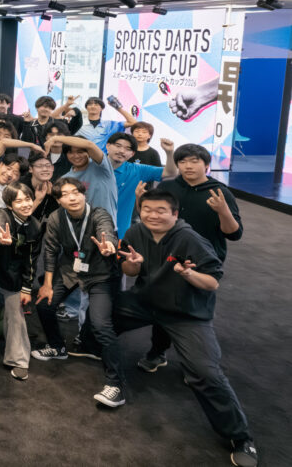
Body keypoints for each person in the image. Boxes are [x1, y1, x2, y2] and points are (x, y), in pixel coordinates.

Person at [116, 190, 258, 467]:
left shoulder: (190, 239)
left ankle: (240, 437)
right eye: (147, 209)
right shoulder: (135, 232)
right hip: (145, 302)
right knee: (102, 317)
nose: (152, 215)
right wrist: (131, 266)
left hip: (186, 313)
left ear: (175, 214)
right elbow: (130, 272)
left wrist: (189, 273)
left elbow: (213, 283)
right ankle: (98, 356)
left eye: (160, 211)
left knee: (205, 373)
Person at [142, 144, 244, 373]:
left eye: (194, 161)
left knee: (195, 312)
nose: (188, 166)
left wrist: (223, 210)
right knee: (162, 304)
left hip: (203, 261)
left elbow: (234, 234)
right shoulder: (168, 187)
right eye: (183, 161)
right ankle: (157, 351)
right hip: (167, 256)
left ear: (206, 165)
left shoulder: (219, 192)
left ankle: (193, 364)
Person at [32, 177, 125, 408]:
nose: (72, 198)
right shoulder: (56, 218)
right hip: (70, 270)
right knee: (44, 303)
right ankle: (58, 347)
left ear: (84, 194)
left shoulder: (99, 214)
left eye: (76, 192)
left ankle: (116, 384)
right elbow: (50, 251)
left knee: (101, 324)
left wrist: (108, 245)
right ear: (58, 200)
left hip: (100, 273)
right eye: (64, 194)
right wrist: (47, 284)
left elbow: (107, 231)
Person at [0, 182, 42, 380]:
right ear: (10, 205)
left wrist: (27, 288)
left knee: (16, 315)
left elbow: (31, 260)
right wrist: (0, 237)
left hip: (13, 274)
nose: (25, 204)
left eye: (28, 199)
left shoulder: (35, 227)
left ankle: (18, 359)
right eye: (19, 201)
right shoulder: (0, 215)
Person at [105, 132, 177, 236]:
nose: (122, 151)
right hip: (88, 227)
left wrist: (169, 153)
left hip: (118, 232)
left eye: (127, 149)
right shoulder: (91, 165)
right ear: (107, 146)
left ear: (132, 154)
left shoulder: (137, 170)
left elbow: (170, 172)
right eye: (118, 146)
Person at [47, 133, 119, 221]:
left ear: (88, 153)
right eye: (70, 152)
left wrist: (56, 138)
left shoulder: (101, 167)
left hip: (105, 225)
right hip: (80, 226)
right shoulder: (65, 179)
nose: (76, 156)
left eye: (80, 152)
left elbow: (90, 145)